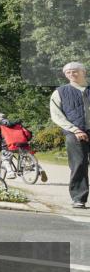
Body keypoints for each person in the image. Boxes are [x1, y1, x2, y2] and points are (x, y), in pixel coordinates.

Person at [50, 61, 90, 209]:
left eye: (75, 71)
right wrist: (75, 130)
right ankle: (79, 198)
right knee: (79, 165)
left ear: (83, 72)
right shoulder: (60, 92)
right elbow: (57, 115)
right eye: (68, 72)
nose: (72, 74)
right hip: (74, 133)